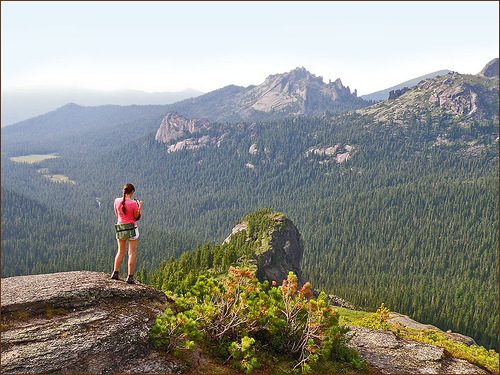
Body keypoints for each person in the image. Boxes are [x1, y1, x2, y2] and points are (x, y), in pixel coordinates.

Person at [111, 183, 143, 284]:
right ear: (132, 192)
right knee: (131, 253)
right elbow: (136, 217)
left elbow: (117, 214)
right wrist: (140, 207)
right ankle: (130, 277)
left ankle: (115, 273)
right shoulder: (133, 203)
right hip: (132, 228)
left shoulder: (116, 201)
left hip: (120, 228)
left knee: (120, 251)